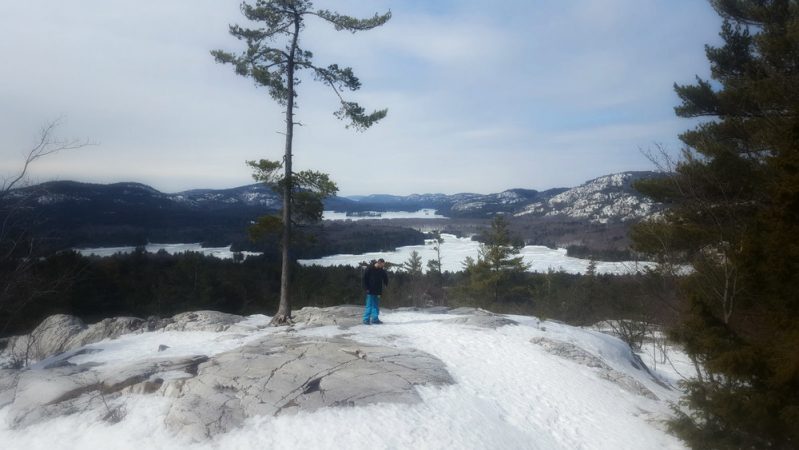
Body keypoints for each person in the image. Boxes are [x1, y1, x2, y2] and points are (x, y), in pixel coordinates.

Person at [362, 258, 388, 324]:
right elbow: (364, 279)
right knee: (369, 305)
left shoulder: (381, 270)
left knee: (376, 305)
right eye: (382, 265)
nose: (383, 266)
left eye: (383, 265)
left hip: (378, 290)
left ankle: (375, 319)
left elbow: (385, 277)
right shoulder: (370, 269)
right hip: (370, 290)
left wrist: (386, 283)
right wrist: (366, 288)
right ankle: (366, 319)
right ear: (378, 263)